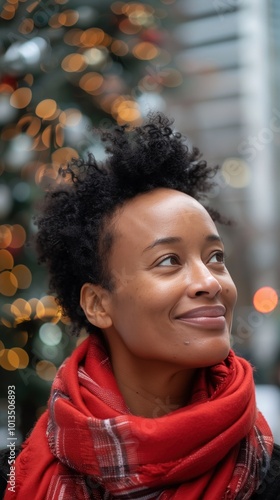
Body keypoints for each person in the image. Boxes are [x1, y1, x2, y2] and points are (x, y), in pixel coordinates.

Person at [2, 112, 280, 499]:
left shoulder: (269, 474)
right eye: (169, 261)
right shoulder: (15, 476)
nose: (210, 282)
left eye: (215, 257)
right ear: (98, 304)